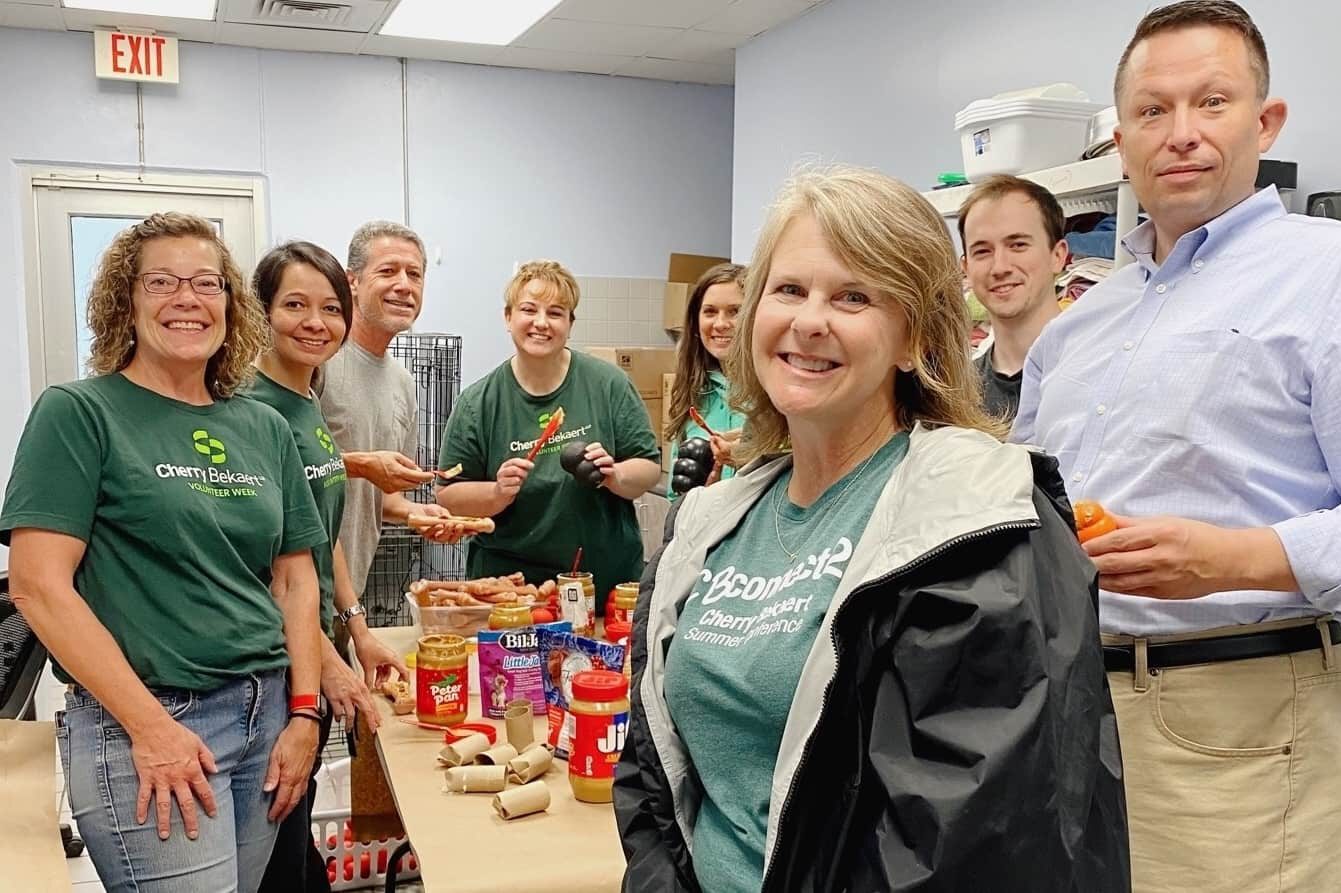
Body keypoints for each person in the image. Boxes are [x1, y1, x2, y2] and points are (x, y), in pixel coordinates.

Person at [616, 165, 1128, 892]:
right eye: (788, 289)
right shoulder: (709, 520)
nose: (808, 320)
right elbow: (652, 765)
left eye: (853, 295)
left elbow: (981, 840)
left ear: (911, 337)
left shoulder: (976, 518)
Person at [1011, 3, 1341, 890]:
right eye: (1153, 112)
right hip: (1067, 714)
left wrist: (1243, 556)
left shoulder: (1325, 276)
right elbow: (1025, 507)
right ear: (1121, 140)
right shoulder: (1080, 327)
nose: (1181, 134)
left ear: (1264, 121)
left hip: (1237, 718)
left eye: (1212, 102)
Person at [2, 213, 326, 892]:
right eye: (162, 282)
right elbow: (38, 586)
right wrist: (152, 729)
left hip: (266, 715)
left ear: (231, 307)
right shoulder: (79, 413)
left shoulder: (262, 426)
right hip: (145, 719)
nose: (188, 298)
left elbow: (296, 580)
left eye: (207, 283)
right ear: (127, 302)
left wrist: (304, 712)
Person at [247, 241, 418, 893]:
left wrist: (357, 625)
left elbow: (319, 532)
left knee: (294, 832)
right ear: (261, 312)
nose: (314, 322)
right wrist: (327, 661)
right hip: (274, 654)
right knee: (276, 838)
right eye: (294, 304)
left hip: (315, 636)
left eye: (329, 308)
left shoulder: (306, 398)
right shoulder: (249, 406)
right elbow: (264, 565)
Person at [436, 260, 662, 606]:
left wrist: (614, 474)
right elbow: (448, 496)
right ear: (508, 317)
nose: (541, 323)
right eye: (529, 310)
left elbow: (648, 468)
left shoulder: (609, 385)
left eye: (556, 313)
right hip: (512, 592)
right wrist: (497, 492)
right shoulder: (478, 402)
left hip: (602, 587)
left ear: (570, 324)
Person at [314, 221, 458, 613]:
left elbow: (381, 497)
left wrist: (416, 513)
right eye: (388, 271)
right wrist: (362, 465)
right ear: (352, 282)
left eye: (415, 274)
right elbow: (286, 468)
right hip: (295, 590)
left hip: (348, 597)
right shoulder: (320, 360)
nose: (404, 285)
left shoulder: (403, 383)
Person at [957, 175, 1069, 419]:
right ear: (965, 268)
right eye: (982, 251)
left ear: (1058, 256)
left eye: (1018, 245)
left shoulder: (1098, 371)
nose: (1000, 267)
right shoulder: (959, 399)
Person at [664, 262, 748, 498]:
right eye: (710, 311)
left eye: (735, 311)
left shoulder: (777, 397)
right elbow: (676, 494)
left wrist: (748, 455)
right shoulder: (693, 393)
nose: (720, 324)